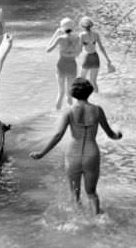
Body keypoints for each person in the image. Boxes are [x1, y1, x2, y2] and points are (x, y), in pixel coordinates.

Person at [30, 77, 122, 214]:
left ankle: (78, 222)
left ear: (73, 92)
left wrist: (42, 153)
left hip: (73, 154)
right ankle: (97, 219)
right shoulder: (97, 110)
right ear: (89, 92)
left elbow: (58, 135)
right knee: (91, 193)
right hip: (91, 153)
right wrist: (118, 135)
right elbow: (110, 134)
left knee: (75, 194)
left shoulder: (69, 111)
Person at [46, 17, 81, 110]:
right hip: (72, 66)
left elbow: (48, 50)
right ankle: (71, 115)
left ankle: (57, 115)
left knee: (61, 93)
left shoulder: (60, 38)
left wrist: (55, 35)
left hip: (61, 66)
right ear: (72, 27)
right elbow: (78, 52)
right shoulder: (77, 38)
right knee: (69, 93)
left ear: (62, 28)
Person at [78, 16, 115, 93]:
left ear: (82, 26)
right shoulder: (96, 34)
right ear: (91, 25)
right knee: (93, 81)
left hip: (87, 57)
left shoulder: (81, 35)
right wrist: (108, 59)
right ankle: (97, 98)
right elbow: (101, 48)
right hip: (95, 57)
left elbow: (80, 49)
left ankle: (82, 99)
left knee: (82, 79)